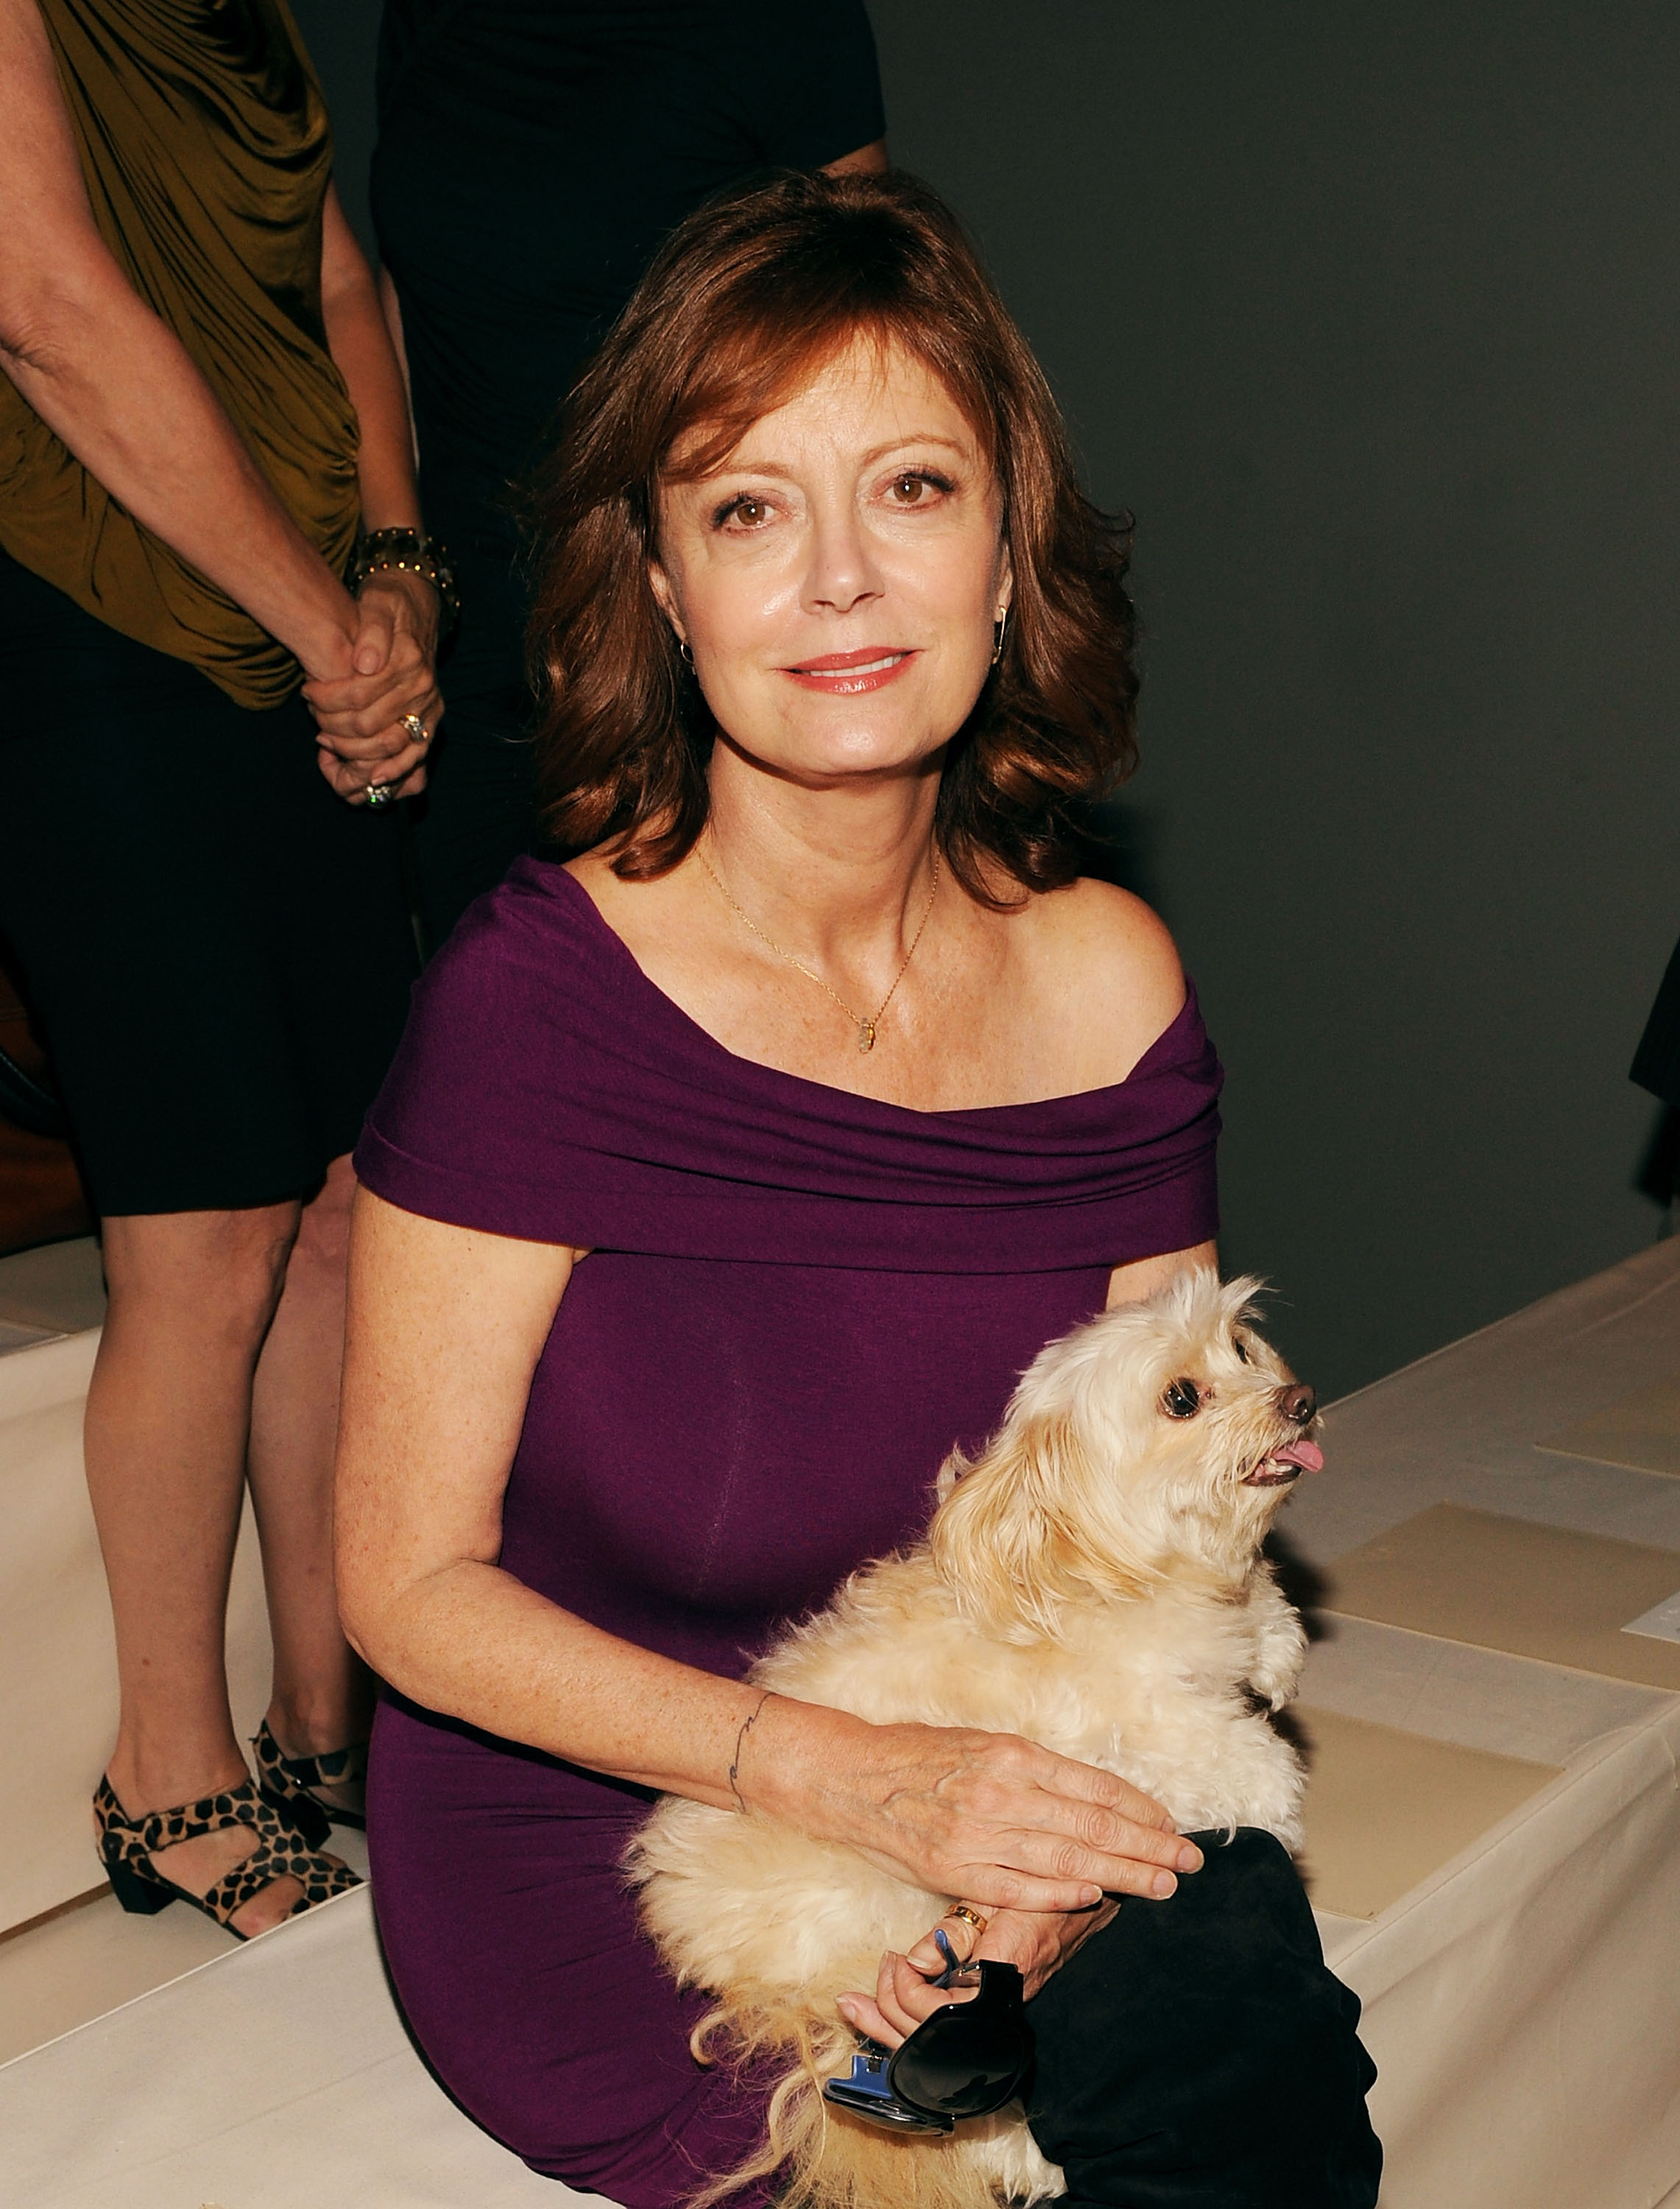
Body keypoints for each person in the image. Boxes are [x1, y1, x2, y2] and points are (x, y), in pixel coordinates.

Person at [337, 172, 1381, 2207]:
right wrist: (852, 1782)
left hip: (1007, 1745)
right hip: (625, 1825)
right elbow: (403, 1587)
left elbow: (1152, 1528)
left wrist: (1041, 1853)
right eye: (745, 506)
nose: (837, 579)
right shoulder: (533, 1007)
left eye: (909, 488)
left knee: (1237, 2088)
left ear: (1006, 552)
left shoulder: (1106, 982)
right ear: (655, 581)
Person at [0, 0, 445, 1937]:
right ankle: (168, 1775)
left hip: (307, 619)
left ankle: (319, 1720)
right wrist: (330, 624)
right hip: (92, 624)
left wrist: (403, 570)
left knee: (343, 1201)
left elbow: (344, 281)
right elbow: (43, 300)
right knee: (204, 1227)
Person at [370, 0, 888, 951]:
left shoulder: (786, 21)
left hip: (690, 632)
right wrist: (395, 566)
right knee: (489, 1027)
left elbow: (872, 329)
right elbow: (400, 311)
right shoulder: (426, 16)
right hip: (472, 646)